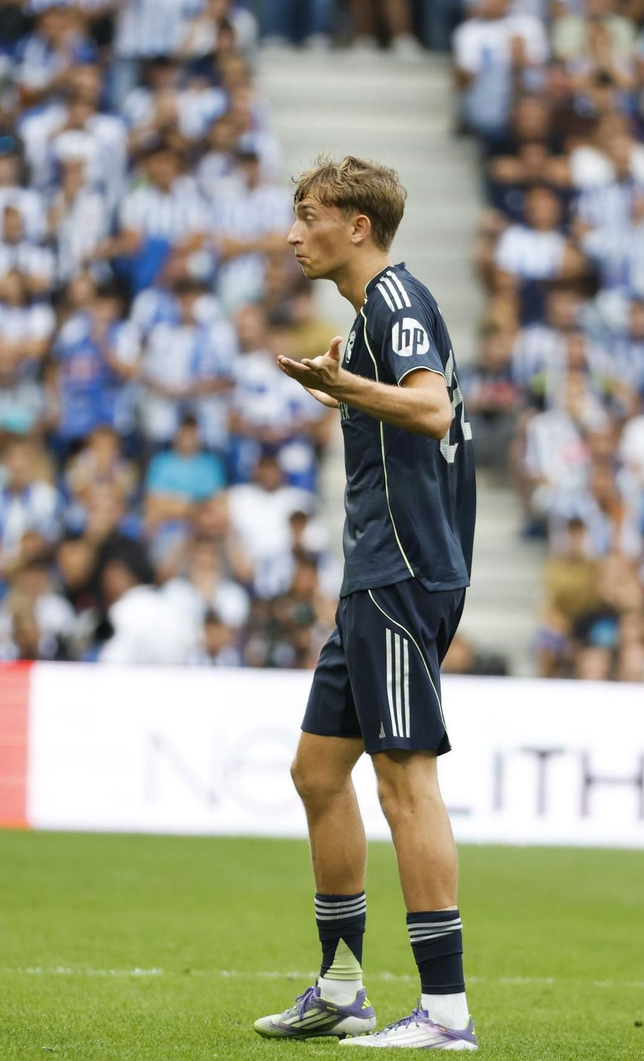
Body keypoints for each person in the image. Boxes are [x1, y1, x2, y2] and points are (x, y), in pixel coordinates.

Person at [254, 156, 477, 1049]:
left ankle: (446, 1013)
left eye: (307, 215)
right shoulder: (369, 314)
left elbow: (428, 411)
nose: (293, 231)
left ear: (356, 225)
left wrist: (342, 388)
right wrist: (340, 384)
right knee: (317, 773)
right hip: (372, 574)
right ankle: (343, 986)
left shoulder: (393, 301)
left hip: (402, 572)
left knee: (404, 780)